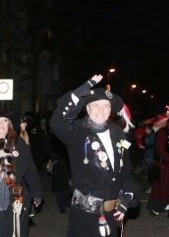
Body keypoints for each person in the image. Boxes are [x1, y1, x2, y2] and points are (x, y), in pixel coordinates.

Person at [50, 75, 141, 237]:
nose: (101, 110)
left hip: (111, 215)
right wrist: (78, 93)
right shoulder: (77, 131)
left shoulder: (118, 133)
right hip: (85, 218)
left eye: (106, 106)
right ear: (87, 108)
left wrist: (127, 196)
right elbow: (57, 122)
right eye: (96, 105)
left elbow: (125, 170)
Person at [0, 110, 43, 237]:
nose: (1, 125)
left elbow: (30, 169)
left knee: (13, 232)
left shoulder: (18, 144)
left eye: (4, 121)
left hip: (14, 201)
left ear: (10, 124)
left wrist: (37, 193)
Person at [43, 131, 72, 214]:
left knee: (65, 187)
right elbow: (47, 150)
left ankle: (66, 204)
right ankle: (62, 206)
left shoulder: (64, 139)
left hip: (65, 166)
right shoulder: (52, 141)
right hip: (58, 166)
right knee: (60, 188)